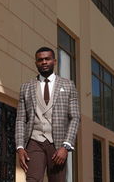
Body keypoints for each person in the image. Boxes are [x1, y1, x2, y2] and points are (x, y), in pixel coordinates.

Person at [15, 46, 80, 181]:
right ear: (36, 63)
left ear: (54, 61)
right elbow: (21, 119)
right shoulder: (26, 87)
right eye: (40, 60)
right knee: (32, 179)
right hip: (34, 141)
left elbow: (75, 117)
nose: (44, 62)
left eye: (47, 59)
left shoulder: (68, 85)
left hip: (57, 144)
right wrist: (20, 147)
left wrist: (66, 146)